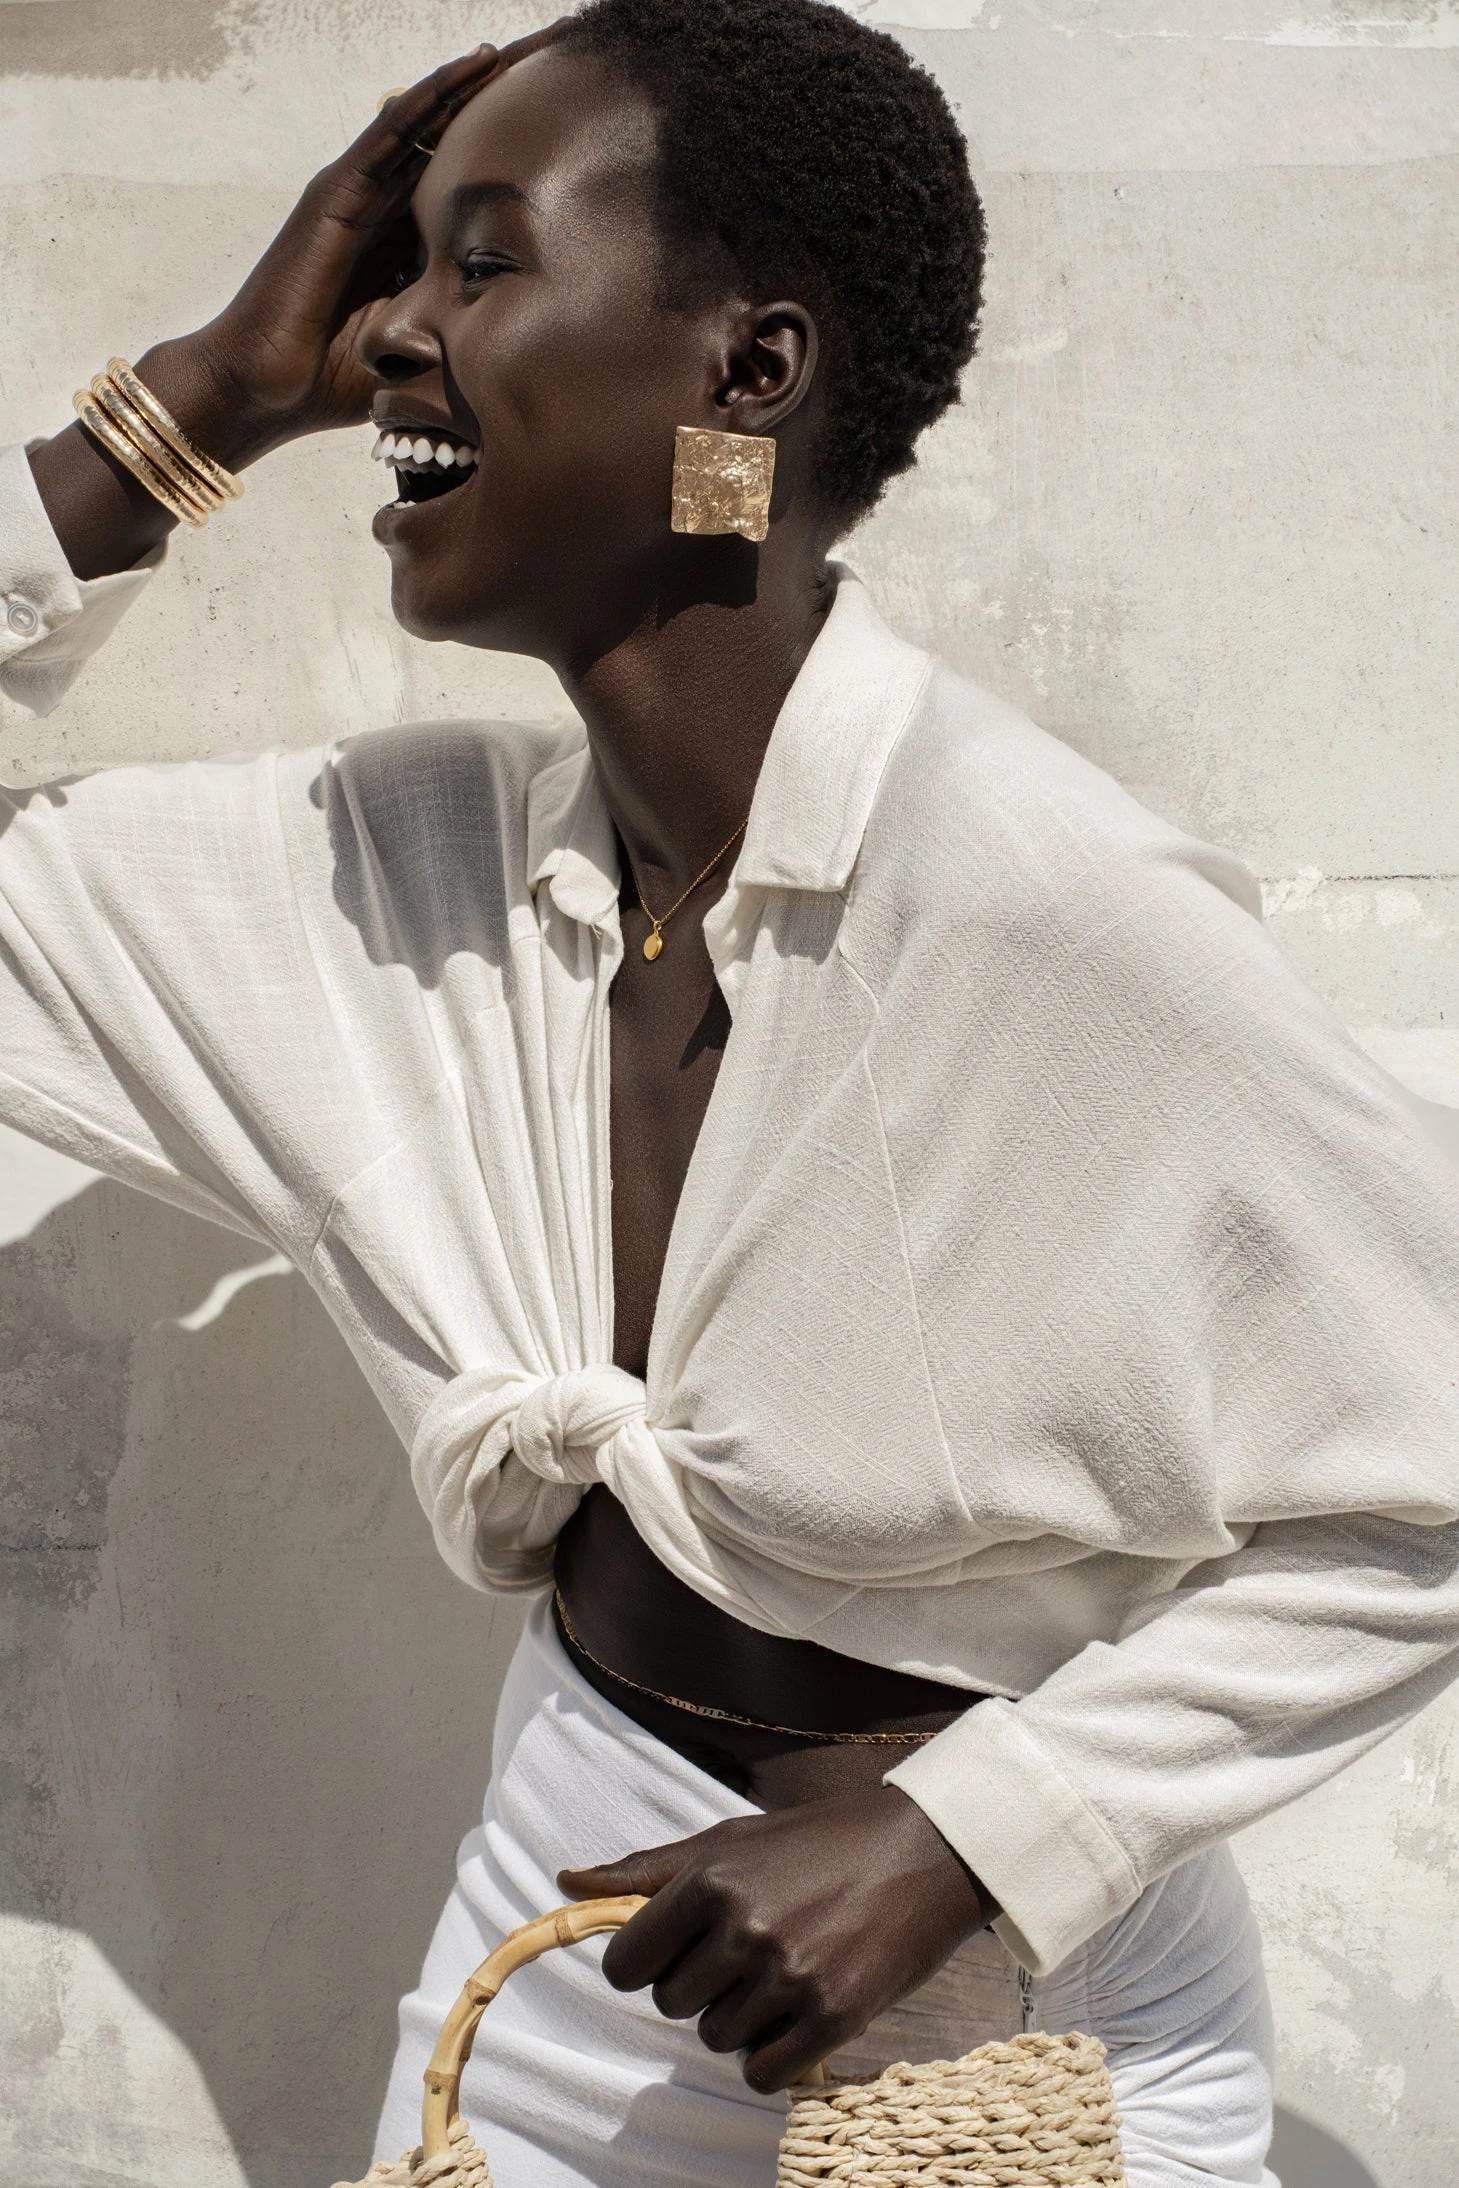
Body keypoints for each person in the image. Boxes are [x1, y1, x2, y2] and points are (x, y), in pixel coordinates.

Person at [3, 5, 1458, 2184]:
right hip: (555, 1944)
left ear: (746, 375)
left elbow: (1432, 1474)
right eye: (393, 274)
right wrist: (196, 402)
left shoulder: (1043, 904)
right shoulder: (401, 882)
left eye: (481, 263)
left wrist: (968, 1838)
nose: (386, 333)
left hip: (1010, 2029)